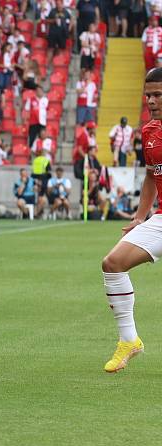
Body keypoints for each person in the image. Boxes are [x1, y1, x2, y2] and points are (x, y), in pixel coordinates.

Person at [98, 68, 162, 373]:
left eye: (157, 95)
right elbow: (152, 176)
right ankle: (129, 341)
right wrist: (140, 216)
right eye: (148, 95)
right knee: (112, 263)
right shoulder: (149, 132)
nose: (150, 100)